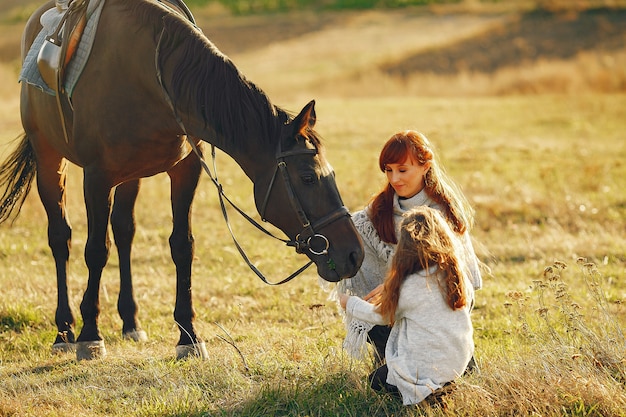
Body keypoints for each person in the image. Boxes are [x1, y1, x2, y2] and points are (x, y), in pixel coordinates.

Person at [334, 130, 482, 364]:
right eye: (388, 170)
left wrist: (396, 285)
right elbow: (350, 231)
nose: (394, 179)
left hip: (433, 308)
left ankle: (443, 357)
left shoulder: (443, 213)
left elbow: (454, 276)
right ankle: (387, 350)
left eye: (402, 170)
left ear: (426, 166)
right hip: (392, 308)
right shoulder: (380, 208)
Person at [339, 206, 475, 406]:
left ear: (405, 249)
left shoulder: (411, 285)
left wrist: (349, 303)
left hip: (426, 366)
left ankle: (427, 395)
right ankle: (445, 385)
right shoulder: (456, 276)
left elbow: (381, 316)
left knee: (376, 381)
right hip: (457, 361)